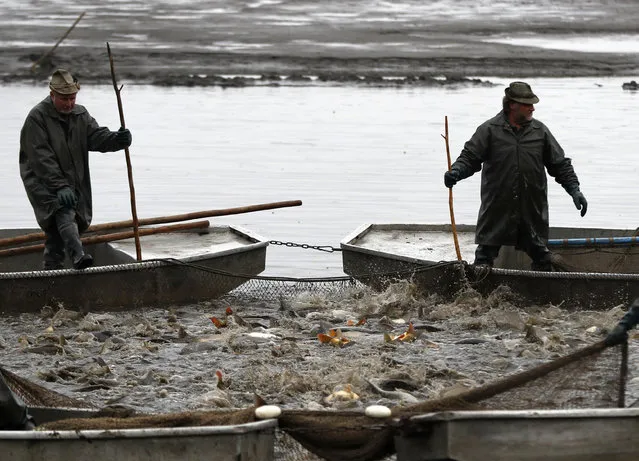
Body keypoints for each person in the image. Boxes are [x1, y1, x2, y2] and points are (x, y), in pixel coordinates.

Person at [443, 81, 588, 271]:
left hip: (531, 209)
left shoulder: (540, 131)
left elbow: (560, 165)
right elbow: (469, 158)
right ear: (512, 105)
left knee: (542, 257)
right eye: (528, 105)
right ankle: (477, 293)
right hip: (497, 208)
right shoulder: (489, 130)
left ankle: (542, 294)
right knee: (484, 256)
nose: (533, 108)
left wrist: (574, 190)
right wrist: (456, 172)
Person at [19, 69, 133, 270]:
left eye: (72, 98)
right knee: (62, 210)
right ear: (52, 95)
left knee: (57, 230)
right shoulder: (37, 118)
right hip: (41, 181)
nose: (69, 103)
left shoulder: (80, 115)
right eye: (64, 99)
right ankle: (78, 255)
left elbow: (96, 137)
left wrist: (117, 139)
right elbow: (41, 159)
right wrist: (60, 186)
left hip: (72, 179)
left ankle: (51, 274)